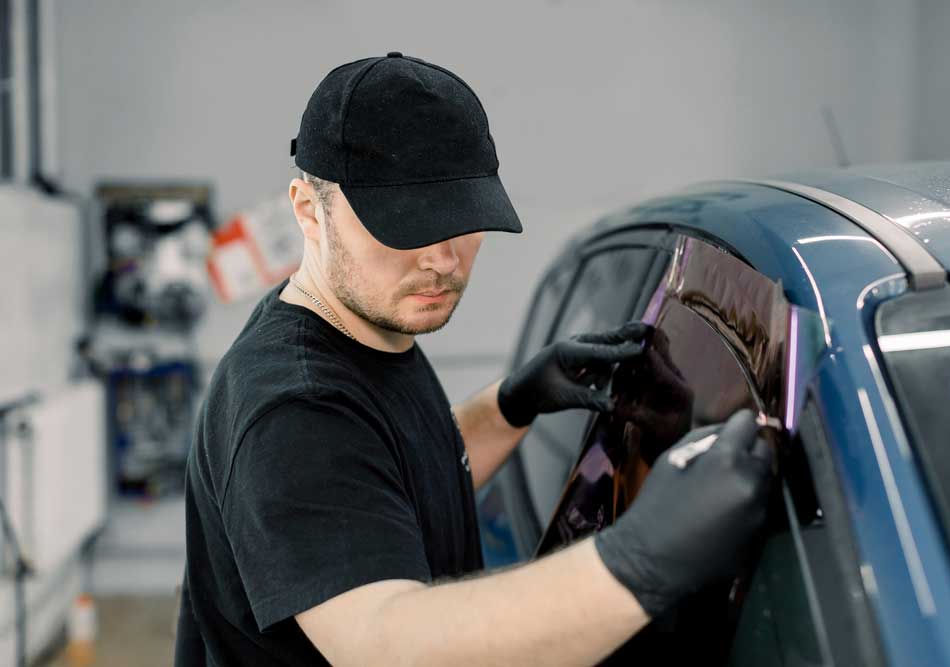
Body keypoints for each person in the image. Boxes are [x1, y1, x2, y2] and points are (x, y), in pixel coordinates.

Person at [174, 52, 773, 667]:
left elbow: (383, 481)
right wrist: (642, 558)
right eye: (405, 225)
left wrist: (513, 404)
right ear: (308, 210)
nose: (442, 258)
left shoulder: (364, 329)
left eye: (460, 220)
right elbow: (383, 642)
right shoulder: (293, 408)